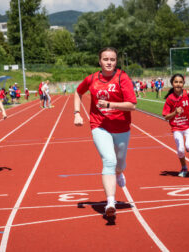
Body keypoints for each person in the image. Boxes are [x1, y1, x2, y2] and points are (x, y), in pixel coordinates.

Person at [74, 47, 137, 217]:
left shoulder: (122, 78)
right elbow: (78, 92)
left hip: (122, 127)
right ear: (99, 61)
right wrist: (77, 113)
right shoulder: (92, 78)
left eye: (112, 59)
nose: (109, 62)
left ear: (116, 62)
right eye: (105, 59)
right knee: (109, 160)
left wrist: (110, 105)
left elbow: (132, 105)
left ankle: (119, 172)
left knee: (120, 163)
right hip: (99, 125)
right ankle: (111, 202)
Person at [162, 73, 189, 177]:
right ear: (172, 83)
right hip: (177, 127)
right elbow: (166, 117)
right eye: (176, 82)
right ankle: (184, 167)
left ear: (184, 83)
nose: (178, 84)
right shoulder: (170, 99)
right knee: (180, 150)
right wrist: (175, 113)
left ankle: (187, 148)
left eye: (180, 82)